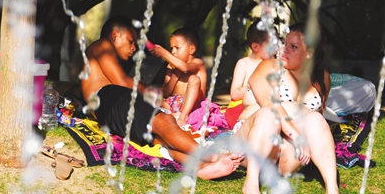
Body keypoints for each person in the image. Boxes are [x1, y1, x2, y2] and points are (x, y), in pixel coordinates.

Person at [83, 16, 241, 179]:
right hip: (110, 97)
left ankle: (201, 168)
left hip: (106, 109)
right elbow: (122, 82)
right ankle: (212, 156)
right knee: (164, 121)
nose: (133, 48)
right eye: (131, 41)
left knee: (161, 140)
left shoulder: (95, 59)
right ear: (115, 35)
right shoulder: (103, 45)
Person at [237, 26, 347, 194]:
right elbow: (268, 103)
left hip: (285, 154)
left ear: (310, 53)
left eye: (293, 47)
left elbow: (317, 116)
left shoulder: (322, 78)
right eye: (284, 44)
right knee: (269, 114)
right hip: (252, 140)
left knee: (316, 119)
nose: (284, 50)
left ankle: (332, 190)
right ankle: (251, 183)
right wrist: (293, 132)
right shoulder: (270, 66)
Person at [147, 28, 206, 128]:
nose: (173, 52)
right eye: (171, 48)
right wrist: (175, 76)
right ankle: (170, 114)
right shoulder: (171, 66)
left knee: (194, 79)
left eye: (177, 48)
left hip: (191, 104)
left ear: (192, 49)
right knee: (152, 95)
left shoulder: (197, 63)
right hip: (172, 104)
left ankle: (183, 116)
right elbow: (166, 92)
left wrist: (164, 53)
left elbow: (185, 67)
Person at [226, 21, 273, 128]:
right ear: (256, 47)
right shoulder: (244, 63)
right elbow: (234, 93)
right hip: (240, 109)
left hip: (264, 106)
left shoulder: (274, 64)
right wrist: (253, 85)